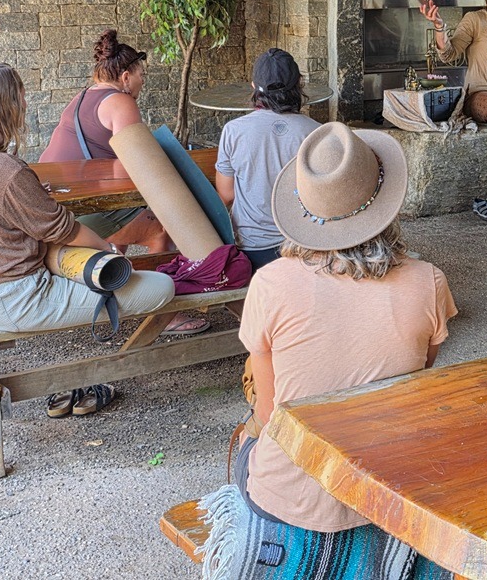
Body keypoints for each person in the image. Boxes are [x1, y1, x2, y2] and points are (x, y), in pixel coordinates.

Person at [198, 122, 456, 579]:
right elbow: (418, 373)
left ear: (306, 207)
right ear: (386, 203)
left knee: (244, 438)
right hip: (387, 491)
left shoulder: (271, 283)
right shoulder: (428, 281)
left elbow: (268, 411)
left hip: (288, 502)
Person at [0, 64, 174, 417]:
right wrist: (109, 252)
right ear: (5, 107)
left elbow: (4, 208)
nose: (25, 102)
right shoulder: (6, 170)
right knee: (161, 287)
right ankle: (93, 377)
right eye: (20, 95)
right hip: (13, 299)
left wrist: (31, 193)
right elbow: (68, 231)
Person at [41, 29, 205, 336]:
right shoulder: (120, 102)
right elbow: (135, 167)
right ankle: (165, 314)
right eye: (142, 74)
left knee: (128, 216)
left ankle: (111, 282)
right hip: (79, 214)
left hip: (56, 205)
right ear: (126, 76)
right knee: (159, 225)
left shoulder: (80, 98)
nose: (143, 81)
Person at [214, 48, 320, 270]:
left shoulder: (233, 131)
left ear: (254, 86)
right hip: (305, 248)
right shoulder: (317, 133)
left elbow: (226, 194)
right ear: (299, 84)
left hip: (253, 251)